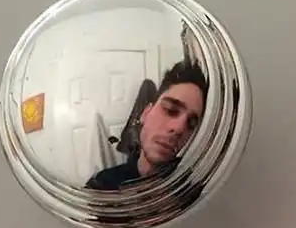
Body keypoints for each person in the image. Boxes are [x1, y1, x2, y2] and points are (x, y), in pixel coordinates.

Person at [85, 60, 208, 191]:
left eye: (191, 124)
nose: (179, 128)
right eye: (170, 109)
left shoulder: (192, 189)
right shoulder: (103, 184)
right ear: (145, 113)